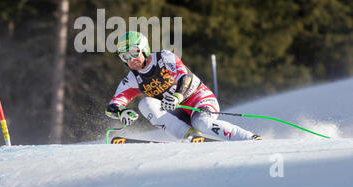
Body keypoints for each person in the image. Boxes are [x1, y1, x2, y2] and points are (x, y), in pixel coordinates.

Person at [105, 31, 262, 142]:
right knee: (145, 103)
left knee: (202, 123)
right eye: (125, 56)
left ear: (144, 49)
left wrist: (177, 96)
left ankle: (249, 138)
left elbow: (185, 77)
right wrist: (121, 112)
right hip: (176, 110)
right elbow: (112, 106)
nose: (131, 59)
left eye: (134, 52)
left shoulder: (164, 57)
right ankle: (189, 135)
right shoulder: (133, 78)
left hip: (198, 99)